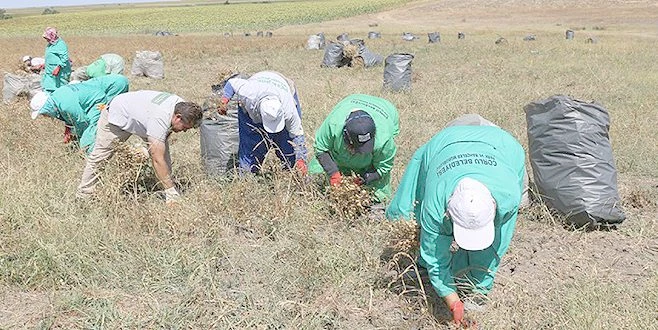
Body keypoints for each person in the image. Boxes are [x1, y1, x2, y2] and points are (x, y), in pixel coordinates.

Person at [385, 122, 526, 326]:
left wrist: (478, 289)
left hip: (502, 145)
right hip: (445, 144)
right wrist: (452, 301)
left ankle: (477, 284)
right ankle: (430, 271)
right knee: (428, 244)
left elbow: (499, 242)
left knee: (492, 245)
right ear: (448, 213)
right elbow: (434, 253)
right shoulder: (436, 203)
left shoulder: (508, 196)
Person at [76, 91, 202, 204]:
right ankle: (84, 195)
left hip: (141, 117)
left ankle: (163, 188)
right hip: (117, 115)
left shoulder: (181, 105)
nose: (184, 131)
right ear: (178, 117)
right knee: (100, 156)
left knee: (162, 153)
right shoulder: (160, 118)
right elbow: (157, 158)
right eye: (185, 127)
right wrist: (171, 192)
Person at [308, 94, 399, 203]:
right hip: (351, 101)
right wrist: (333, 174)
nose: (359, 153)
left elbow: (384, 167)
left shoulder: (384, 138)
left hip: (384, 108)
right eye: (356, 147)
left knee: (378, 185)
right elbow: (320, 148)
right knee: (319, 171)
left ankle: (378, 201)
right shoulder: (333, 124)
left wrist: (366, 178)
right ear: (346, 137)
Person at [218, 71, 307, 174]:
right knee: (250, 149)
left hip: (282, 84)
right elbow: (232, 83)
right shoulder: (249, 93)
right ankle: (247, 175)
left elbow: (298, 135)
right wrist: (224, 100)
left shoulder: (289, 110)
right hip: (253, 104)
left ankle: (290, 172)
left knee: (287, 145)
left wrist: (300, 159)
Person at [29, 74, 129, 153]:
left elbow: (82, 121)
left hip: (97, 100)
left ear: (46, 107)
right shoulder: (57, 98)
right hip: (94, 96)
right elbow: (72, 119)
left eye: (43, 113)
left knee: (91, 128)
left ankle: (91, 154)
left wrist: (79, 139)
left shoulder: (65, 104)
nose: (44, 116)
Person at [41, 27, 72, 92]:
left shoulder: (60, 44)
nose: (46, 39)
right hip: (50, 70)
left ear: (52, 36)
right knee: (49, 86)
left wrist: (58, 67)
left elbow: (64, 58)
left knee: (59, 88)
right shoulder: (50, 44)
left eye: (47, 38)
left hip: (59, 71)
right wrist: (45, 63)